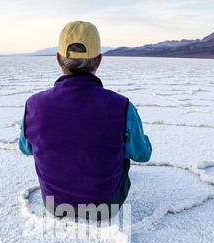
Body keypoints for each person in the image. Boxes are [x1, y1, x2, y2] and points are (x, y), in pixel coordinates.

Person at [19, 20, 152, 220]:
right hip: (105, 208)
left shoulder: (34, 105)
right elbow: (142, 154)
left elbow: (26, 148)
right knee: (123, 146)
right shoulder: (121, 106)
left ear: (58, 59)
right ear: (98, 60)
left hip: (54, 205)